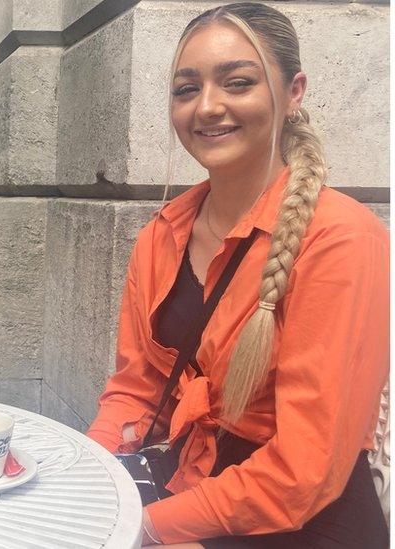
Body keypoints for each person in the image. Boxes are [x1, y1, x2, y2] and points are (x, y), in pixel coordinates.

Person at [86, 4, 389, 547]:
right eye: (186, 89)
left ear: (293, 91)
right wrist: (92, 477)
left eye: (238, 82)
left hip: (299, 524)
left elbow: (302, 473)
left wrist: (146, 526)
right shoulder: (161, 234)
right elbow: (136, 389)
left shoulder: (341, 239)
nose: (207, 107)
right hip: (188, 491)